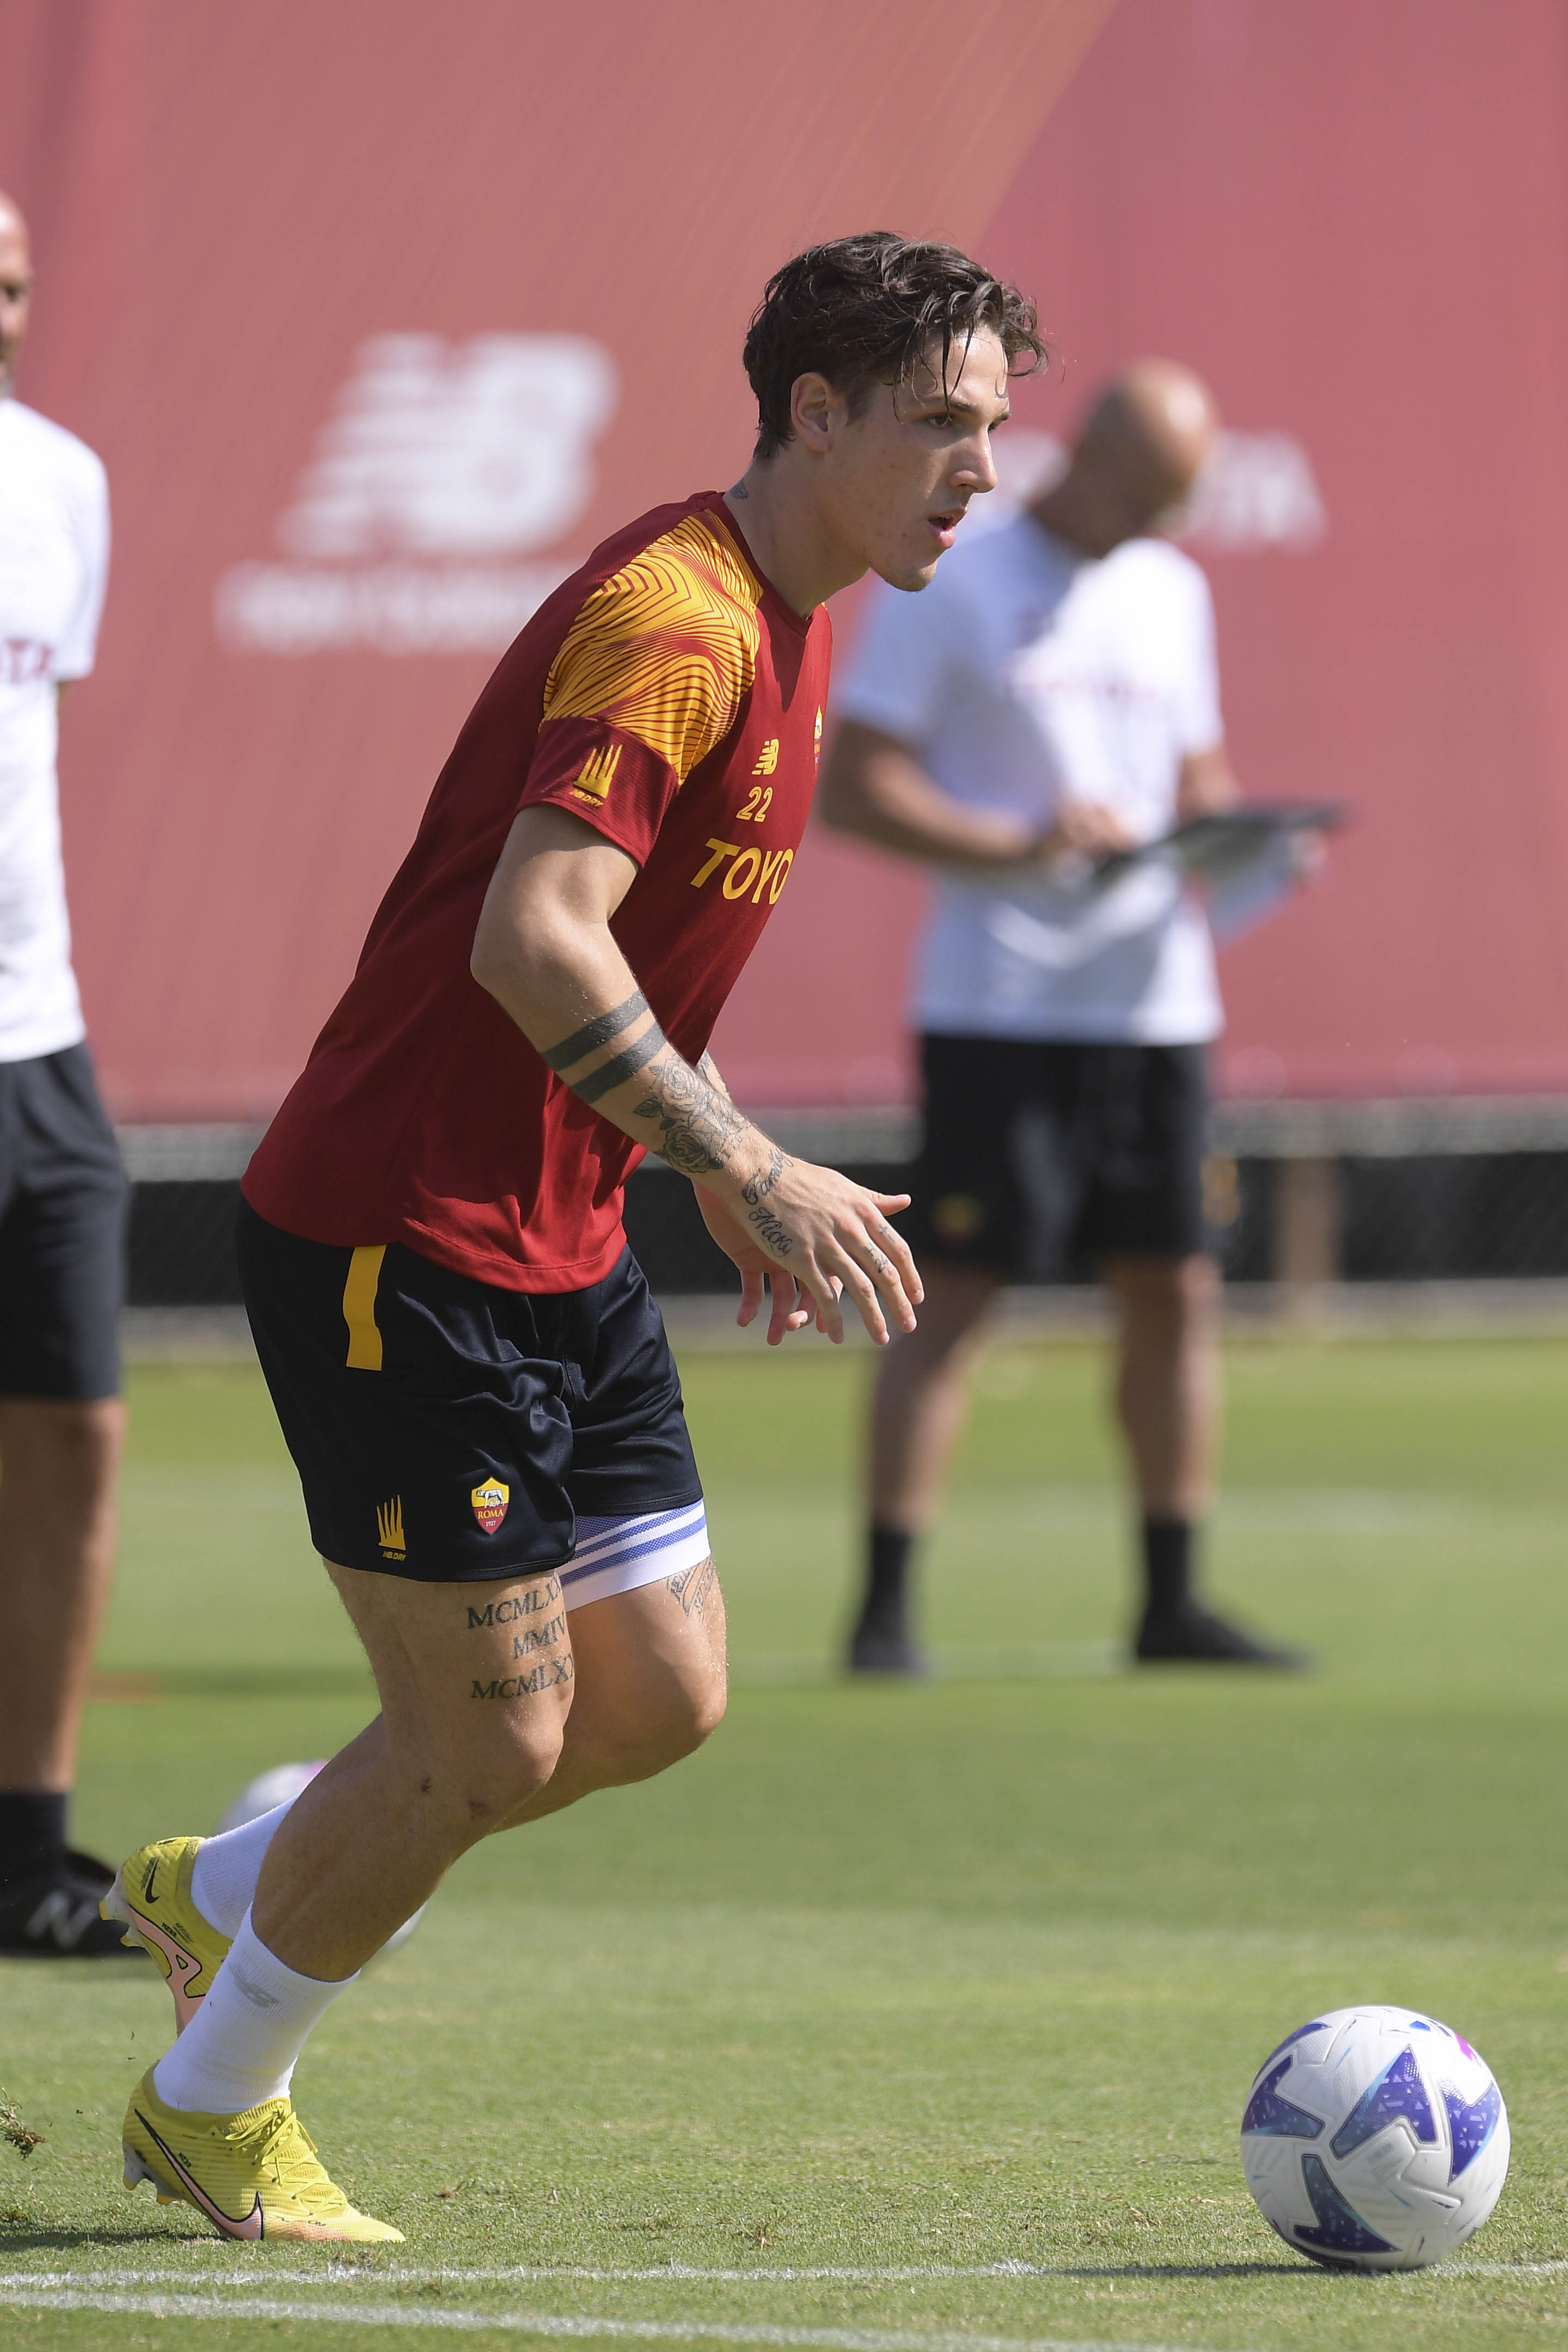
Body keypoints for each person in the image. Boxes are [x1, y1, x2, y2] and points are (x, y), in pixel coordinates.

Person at [100, 233, 1044, 2243]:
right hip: (397, 1243)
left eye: (995, 428)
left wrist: (693, 1154)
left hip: (562, 1236)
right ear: (815, 413)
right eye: (944, 424)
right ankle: (211, 2103)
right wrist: (756, 1162)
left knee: (661, 1698)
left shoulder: (798, 610)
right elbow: (530, 932)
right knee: (496, 1735)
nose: (981, 470)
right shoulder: (683, 619)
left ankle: (233, 1890)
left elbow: (633, 954)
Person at [823, 360, 1308, 1676]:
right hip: (1003, 1004)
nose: (1164, 518)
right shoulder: (960, 580)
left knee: (1175, 1293)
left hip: (1154, 1004)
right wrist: (1023, 841)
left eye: (1182, 497)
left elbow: (1193, 773)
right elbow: (855, 788)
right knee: (960, 1297)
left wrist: (1240, 836)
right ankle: (884, 1612)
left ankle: (1170, 1602)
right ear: (1086, 456)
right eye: (1151, 489)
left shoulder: (1171, 589)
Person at [0, 190, 134, 1957]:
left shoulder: (64, 485)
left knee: (75, 1441)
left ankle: (29, 1853)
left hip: (43, 1041)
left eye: (17, 281)